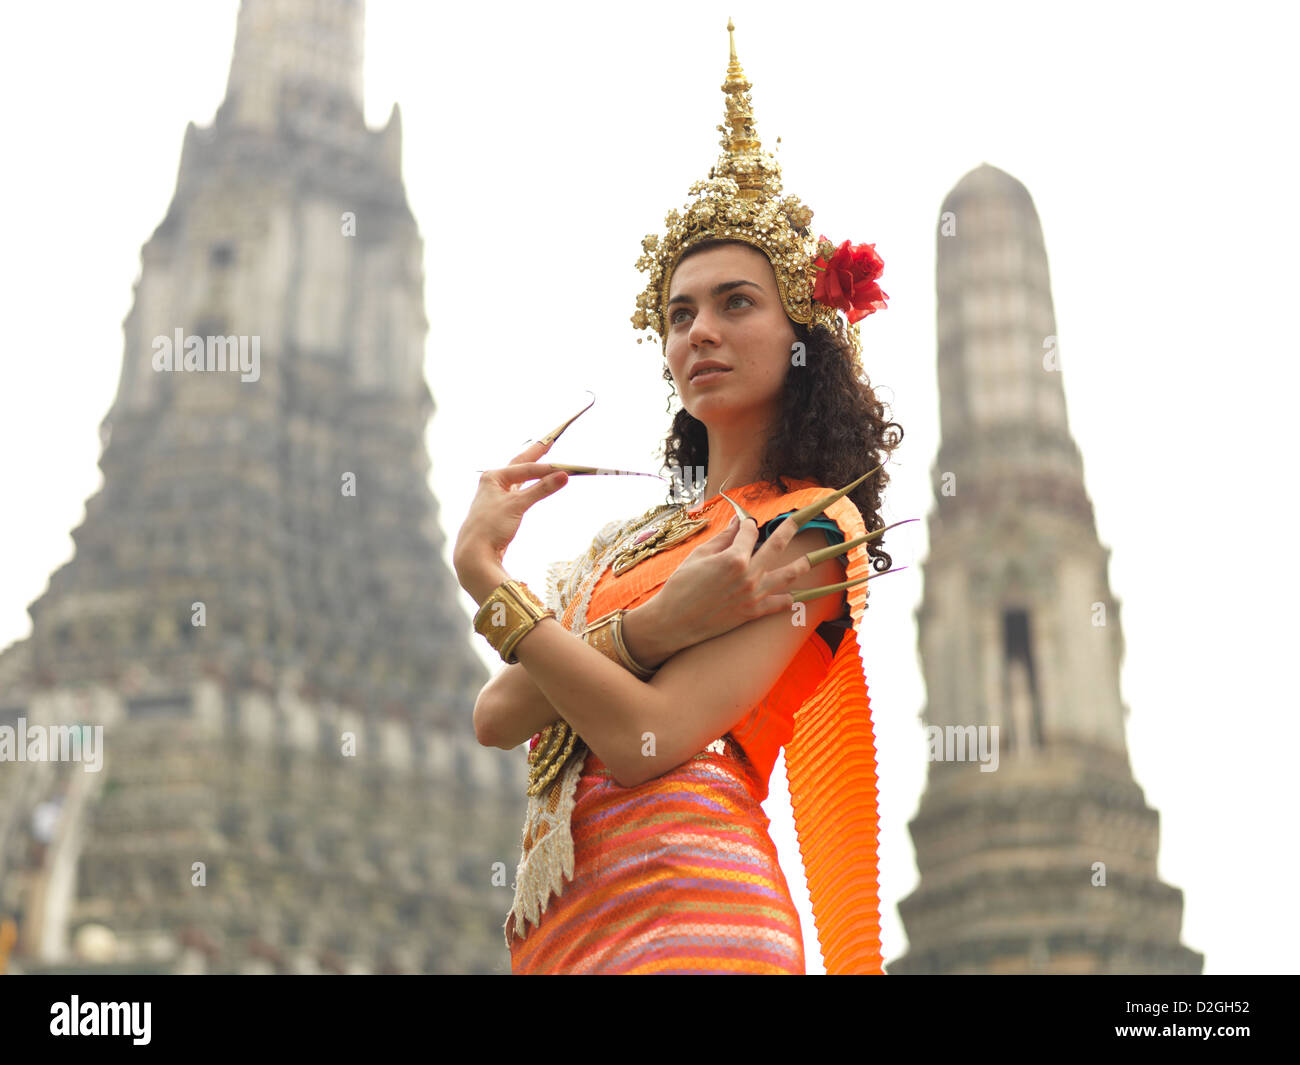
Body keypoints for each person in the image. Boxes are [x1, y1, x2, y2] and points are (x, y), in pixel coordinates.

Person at [453, 20, 905, 974]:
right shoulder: (633, 545)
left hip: (696, 910)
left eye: (737, 302)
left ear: (802, 335)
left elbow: (641, 737)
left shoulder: (816, 527)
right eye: (680, 313)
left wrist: (488, 578)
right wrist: (653, 623)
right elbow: (498, 714)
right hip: (570, 927)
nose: (700, 330)